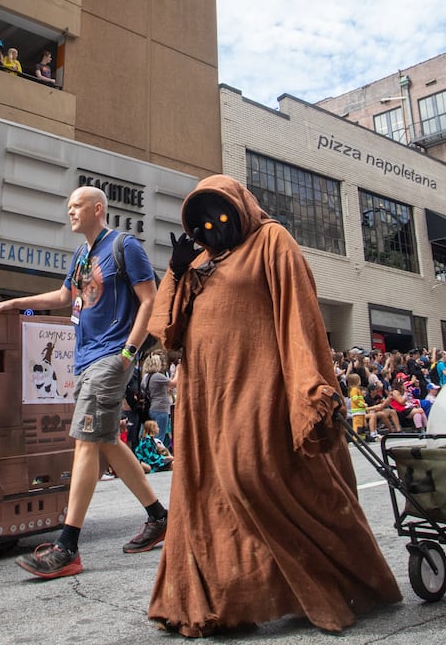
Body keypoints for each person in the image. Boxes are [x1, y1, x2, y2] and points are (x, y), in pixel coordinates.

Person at [146, 175, 401, 635]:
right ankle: (226, 602)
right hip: (205, 394)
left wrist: (308, 387)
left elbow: (299, 313)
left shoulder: (272, 240)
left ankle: (341, 574)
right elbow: (167, 331)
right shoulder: (200, 260)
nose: (212, 225)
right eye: (201, 218)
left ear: (241, 207)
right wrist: (176, 270)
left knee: (250, 473)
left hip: (260, 383)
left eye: (221, 213)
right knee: (210, 492)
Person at [0, 186, 170, 579]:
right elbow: (63, 294)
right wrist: (13, 302)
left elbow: (149, 299)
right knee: (105, 443)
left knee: (86, 442)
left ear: (97, 208)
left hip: (111, 357)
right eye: (68, 205)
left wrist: (129, 352)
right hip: (85, 358)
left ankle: (67, 547)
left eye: (76, 205)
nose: (70, 211)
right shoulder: (81, 255)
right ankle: (159, 518)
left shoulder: (125, 246)